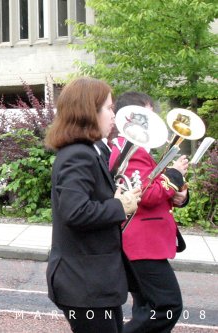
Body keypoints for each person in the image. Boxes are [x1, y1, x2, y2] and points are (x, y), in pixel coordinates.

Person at [44, 77, 141, 333]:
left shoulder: (90, 151)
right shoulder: (77, 154)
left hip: (93, 281)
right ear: (89, 111)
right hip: (83, 283)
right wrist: (119, 206)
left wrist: (117, 200)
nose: (114, 115)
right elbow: (75, 212)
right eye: (109, 108)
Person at [109, 91, 188, 333]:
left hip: (145, 240)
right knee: (167, 306)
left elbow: (157, 189)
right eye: (148, 114)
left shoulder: (139, 150)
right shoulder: (128, 150)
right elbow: (147, 196)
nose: (155, 120)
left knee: (146, 307)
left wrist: (181, 196)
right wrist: (174, 174)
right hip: (141, 242)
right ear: (131, 118)